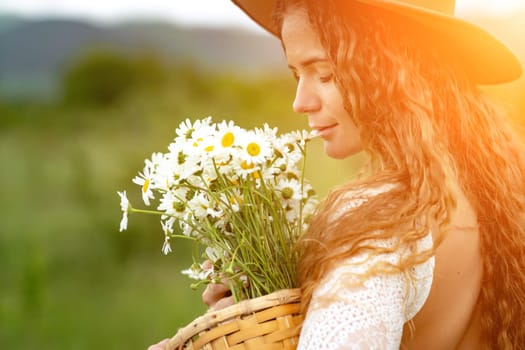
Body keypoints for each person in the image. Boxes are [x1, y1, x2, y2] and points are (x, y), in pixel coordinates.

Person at [149, 0, 525, 349]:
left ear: (395, 66)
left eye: (325, 73)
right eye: (297, 73)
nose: (300, 102)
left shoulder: (384, 223)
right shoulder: (490, 186)